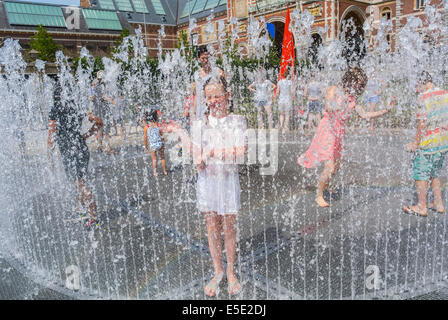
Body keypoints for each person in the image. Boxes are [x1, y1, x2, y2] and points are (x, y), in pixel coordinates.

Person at [166, 75, 247, 297]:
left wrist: (211, 153)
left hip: (228, 181)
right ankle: (218, 271)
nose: (213, 100)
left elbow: (240, 153)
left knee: (228, 227)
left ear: (227, 96)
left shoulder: (237, 120)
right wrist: (181, 134)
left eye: (217, 95)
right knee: (212, 227)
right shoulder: (199, 124)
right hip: (207, 182)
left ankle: (231, 271)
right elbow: (195, 154)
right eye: (208, 96)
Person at [298, 67, 394, 208]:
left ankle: (327, 185)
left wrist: (386, 110)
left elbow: (364, 114)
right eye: (357, 82)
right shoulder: (334, 90)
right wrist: (339, 104)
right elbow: (327, 106)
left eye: (360, 84)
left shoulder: (351, 98)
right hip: (328, 129)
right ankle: (318, 195)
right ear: (350, 79)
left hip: (339, 131)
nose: (358, 86)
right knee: (330, 166)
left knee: (337, 165)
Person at [47, 84, 102, 229]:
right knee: (79, 182)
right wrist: (85, 135)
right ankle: (82, 210)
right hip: (82, 150)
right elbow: (99, 123)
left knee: (81, 184)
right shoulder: (76, 107)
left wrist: (49, 153)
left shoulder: (55, 109)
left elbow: (52, 133)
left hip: (69, 152)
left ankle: (94, 218)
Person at [403, 72, 448, 216]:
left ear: (422, 82)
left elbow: (421, 124)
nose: (416, 89)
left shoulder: (423, 97)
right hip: (443, 142)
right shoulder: (445, 93)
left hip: (427, 143)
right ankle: (438, 203)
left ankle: (421, 206)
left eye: (417, 86)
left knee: (420, 174)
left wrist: (415, 143)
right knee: (434, 173)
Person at [192, 46, 225, 121]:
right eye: (203, 58)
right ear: (198, 59)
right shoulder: (196, 74)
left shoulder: (217, 72)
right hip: (200, 109)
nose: (206, 60)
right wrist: (194, 111)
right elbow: (197, 94)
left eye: (208, 58)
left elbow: (224, 91)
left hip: (213, 106)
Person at [90, 71, 117, 154]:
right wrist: (109, 100)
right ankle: (107, 148)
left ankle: (99, 146)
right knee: (105, 128)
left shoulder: (94, 86)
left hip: (98, 110)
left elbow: (91, 98)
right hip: (103, 110)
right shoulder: (103, 86)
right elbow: (108, 99)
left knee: (100, 128)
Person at [143, 109, 167, 177]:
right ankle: (165, 171)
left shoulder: (146, 127)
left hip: (152, 144)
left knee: (154, 159)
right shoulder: (158, 125)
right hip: (159, 143)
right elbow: (161, 135)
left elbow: (145, 138)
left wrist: (145, 147)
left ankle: (155, 172)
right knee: (162, 157)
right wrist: (163, 143)